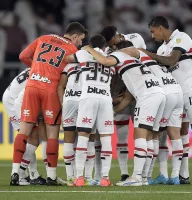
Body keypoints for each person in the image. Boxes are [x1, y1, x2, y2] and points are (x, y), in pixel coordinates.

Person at [10, 22, 87, 186]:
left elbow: (23, 56)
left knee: (24, 131)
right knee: (52, 134)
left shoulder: (43, 38)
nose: (80, 43)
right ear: (74, 36)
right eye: (80, 39)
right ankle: (51, 176)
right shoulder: (73, 50)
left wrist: (37, 69)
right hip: (50, 89)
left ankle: (15, 173)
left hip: (31, 87)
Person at [83, 40, 166, 186]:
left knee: (139, 135)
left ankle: (136, 177)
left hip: (147, 97)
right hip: (159, 94)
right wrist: (111, 111)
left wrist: (90, 49)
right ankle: (145, 178)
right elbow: (128, 98)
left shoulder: (120, 55)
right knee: (149, 136)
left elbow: (105, 61)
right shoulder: (135, 64)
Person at [135, 16, 192, 185]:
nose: (152, 35)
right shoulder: (163, 48)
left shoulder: (181, 37)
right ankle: (183, 176)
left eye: (152, 31)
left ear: (160, 28)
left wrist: (148, 54)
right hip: (178, 93)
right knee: (183, 133)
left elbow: (172, 60)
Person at [66, 34, 115, 187]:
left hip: (88, 97)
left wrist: (83, 49)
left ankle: (79, 177)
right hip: (106, 98)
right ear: (105, 45)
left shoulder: (83, 53)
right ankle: (105, 178)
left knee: (83, 136)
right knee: (106, 138)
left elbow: (67, 59)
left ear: (90, 44)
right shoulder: (111, 57)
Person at [100, 25, 146, 183]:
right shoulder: (108, 52)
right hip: (121, 93)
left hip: (138, 92)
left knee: (144, 133)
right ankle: (125, 173)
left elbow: (143, 62)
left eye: (113, 42)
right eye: (109, 44)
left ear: (118, 36)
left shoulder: (137, 38)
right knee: (122, 135)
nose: (111, 46)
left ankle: (144, 174)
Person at [2, 69, 46, 185]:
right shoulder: (46, 69)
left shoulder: (37, 65)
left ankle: (31, 174)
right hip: (16, 100)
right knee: (32, 138)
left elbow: (23, 57)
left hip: (12, 96)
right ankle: (24, 173)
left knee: (29, 138)